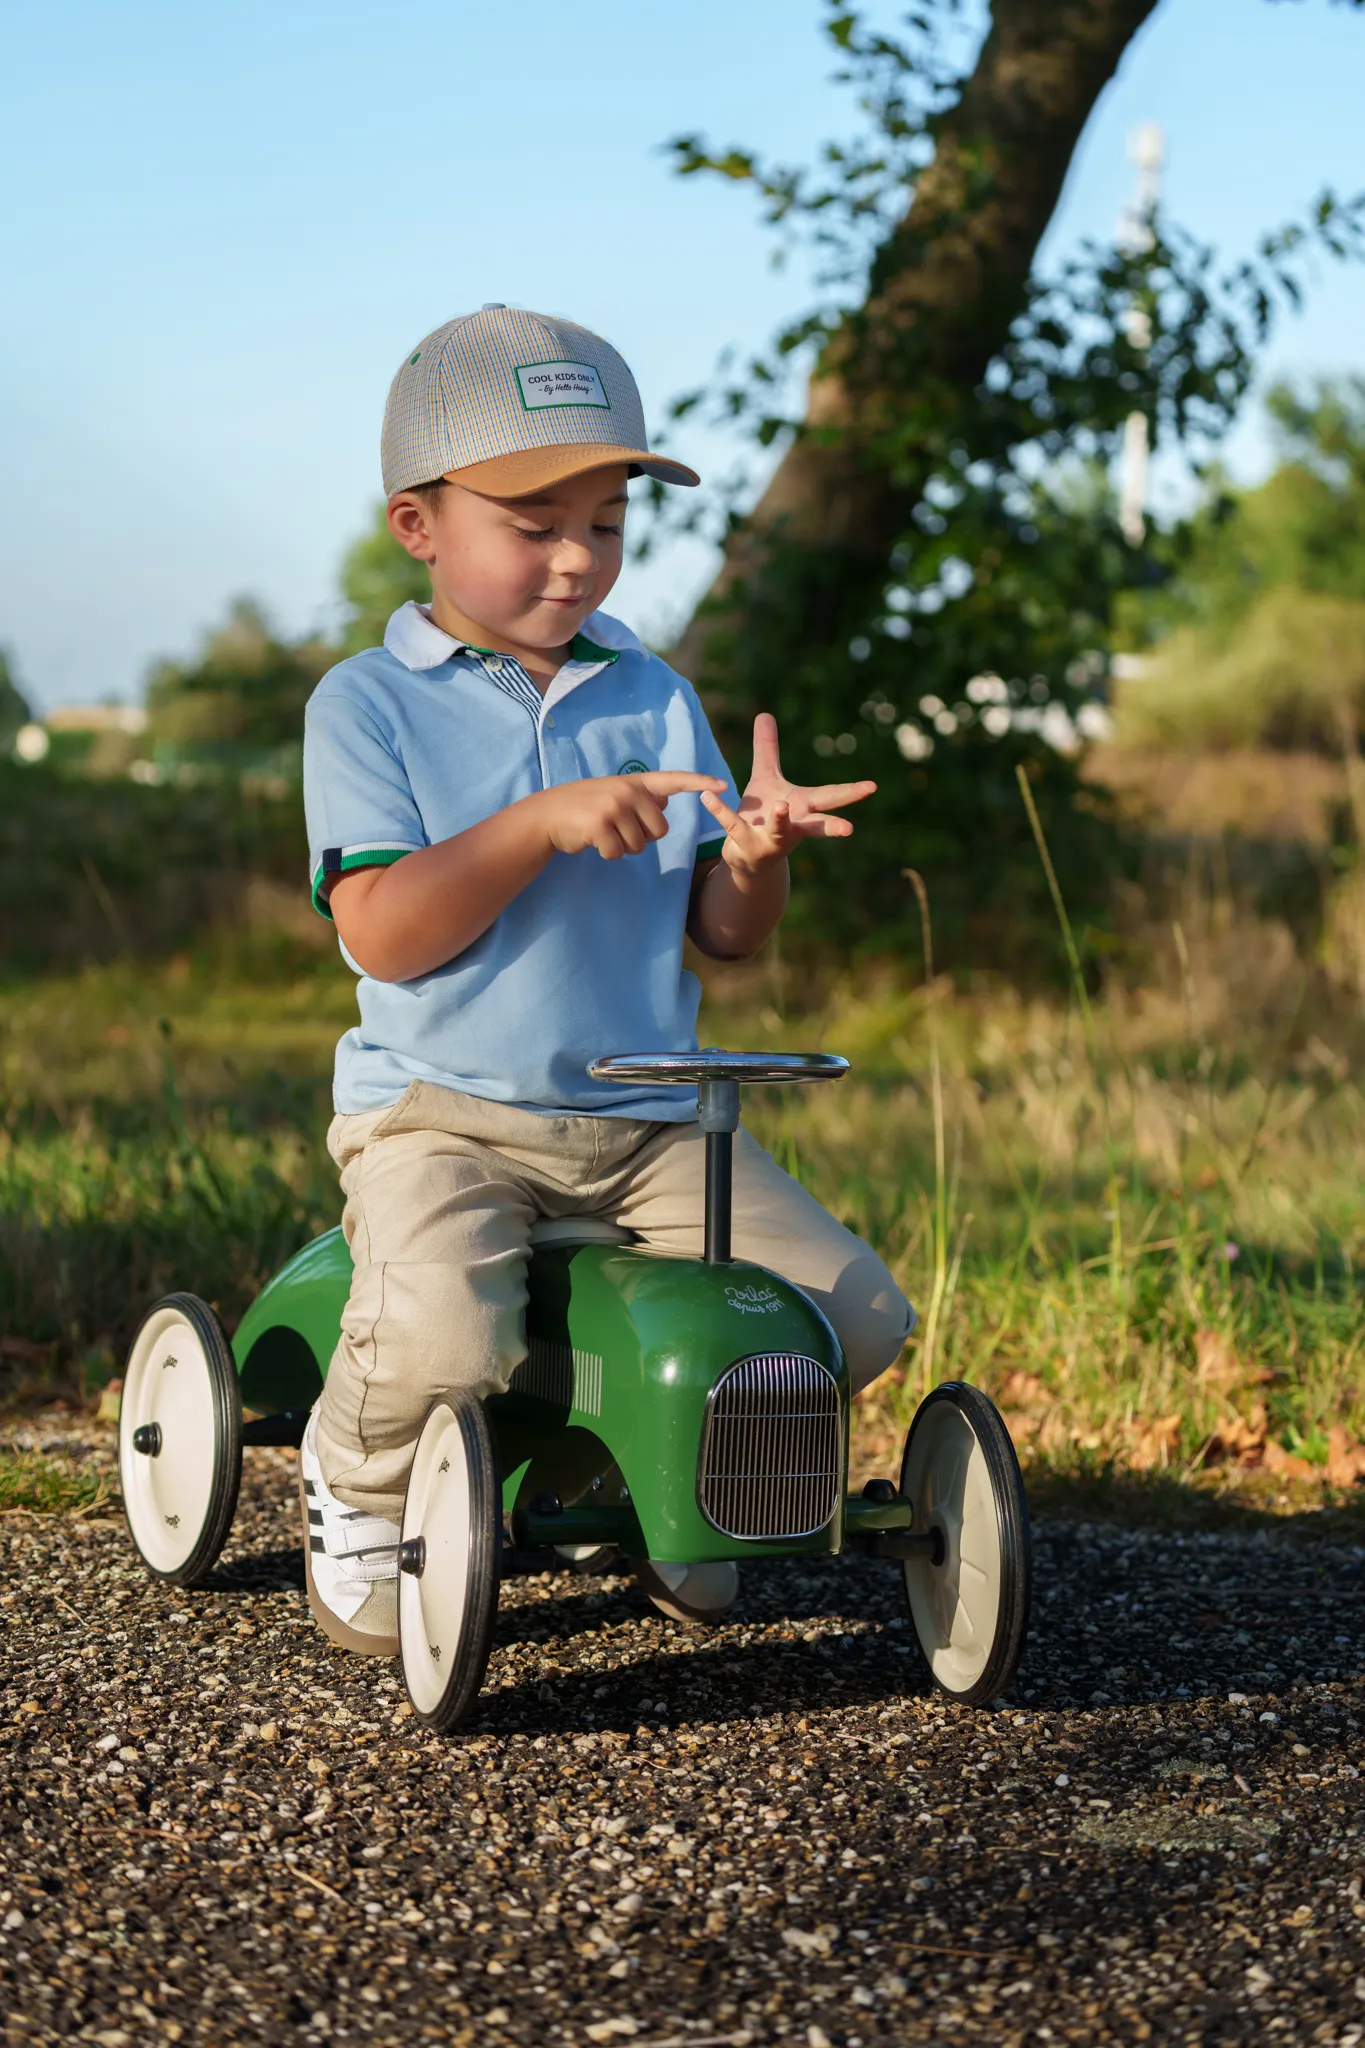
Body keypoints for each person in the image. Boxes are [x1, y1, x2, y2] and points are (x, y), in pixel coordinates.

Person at [300, 303, 915, 1653]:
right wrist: (534, 823)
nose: (578, 559)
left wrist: (753, 853)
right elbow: (383, 932)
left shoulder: (652, 691)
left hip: (649, 1121)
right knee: (442, 1343)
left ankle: (642, 1490)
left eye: (608, 523)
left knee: (850, 1320)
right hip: (445, 1111)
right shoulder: (368, 702)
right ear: (420, 525)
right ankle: (352, 1488)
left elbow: (727, 935)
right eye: (534, 525)